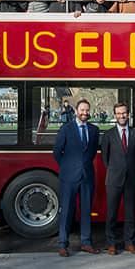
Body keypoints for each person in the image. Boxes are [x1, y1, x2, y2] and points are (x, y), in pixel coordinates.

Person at [53, 99, 100, 256]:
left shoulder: (94, 130)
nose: (85, 113)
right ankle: (62, 244)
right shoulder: (66, 129)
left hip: (87, 176)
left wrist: (82, 165)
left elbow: (91, 152)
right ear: (76, 110)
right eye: (82, 110)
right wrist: (67, 167)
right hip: (69, 177)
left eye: (87, 110)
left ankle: (86, 243)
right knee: (66, 211)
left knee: (86, 211)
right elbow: (57, 152)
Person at [100, 102, 135, 254]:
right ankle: (111, 243)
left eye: (123, 113)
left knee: (130, 213)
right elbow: (105, 158)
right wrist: (115, 170)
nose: (121, 116)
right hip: (113, 180)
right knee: (112, 213)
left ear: (128, 114)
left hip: (131, 178)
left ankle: (129, 242)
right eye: (118, 113)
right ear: (114, 115)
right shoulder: (108, 135)